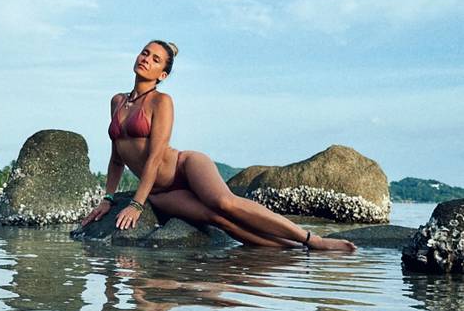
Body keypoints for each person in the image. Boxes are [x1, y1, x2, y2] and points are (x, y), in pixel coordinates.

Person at [81, 41, 357, 252]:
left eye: (155, 59)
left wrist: (136, 204)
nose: (145, 59)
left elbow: (154, 158)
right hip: (160, 190)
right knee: (218, 219)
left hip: (184, 167)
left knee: (224, 203)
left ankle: (313, 239)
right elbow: (117, 157)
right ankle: (294, 250)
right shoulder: (117, 101)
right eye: (144, 53)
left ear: (162, 75)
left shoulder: (161, 102)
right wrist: (108, 198)